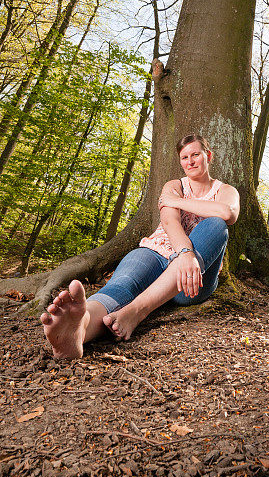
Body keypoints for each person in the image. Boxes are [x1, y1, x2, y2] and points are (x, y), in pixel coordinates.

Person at [40, 134, 240, 359]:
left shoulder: (225, 191)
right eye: (185, 157)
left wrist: (179, 210)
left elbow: (227, 213)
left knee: (215, 225)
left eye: (195, 154)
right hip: (157, 253)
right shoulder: (174, 185)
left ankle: (136, 311)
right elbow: (170, 221)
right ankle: (79, 329)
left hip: (192, 278)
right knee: (122, 286)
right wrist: (184, 252)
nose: (190, 161)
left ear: (208, 156)